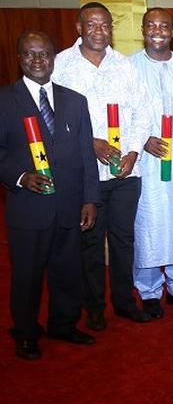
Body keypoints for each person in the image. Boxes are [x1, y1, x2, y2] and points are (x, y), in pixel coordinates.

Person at [52, 2, 152, 329]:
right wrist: (90, 143)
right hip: (84, 174)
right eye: (92, 25)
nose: (99, 31)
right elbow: (50, 118)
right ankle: (93, 305)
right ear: (79, 28)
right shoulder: (60, 66)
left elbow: (142, 113)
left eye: (105, 25)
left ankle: (124, 301)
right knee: (90, 242)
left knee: (124, 240)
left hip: (125, 171)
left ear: (112, 29)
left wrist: (134, 152)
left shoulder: (125, 66)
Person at [0, 31, 99, 359]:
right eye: (29, 54)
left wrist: (89, 199)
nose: (38, 60)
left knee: (68, 270)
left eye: (44, 53)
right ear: (19, 58)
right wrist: (19, 177)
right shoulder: (5, 100)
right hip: (28, 208)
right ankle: (26, 331)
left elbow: (86, 154)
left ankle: (64, 324)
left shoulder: (75, 100)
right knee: (27, 274)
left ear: (54, 57)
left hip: (70, 204)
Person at [130, 7, 173, 318]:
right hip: (146, 162)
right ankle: (149, 289)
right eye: (151, 25)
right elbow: (118, 113)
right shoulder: (128, 68)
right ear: (143, 29)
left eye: (164, 25)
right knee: (148, 223)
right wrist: (141, 140)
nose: (157, 30)